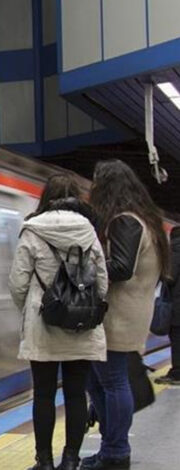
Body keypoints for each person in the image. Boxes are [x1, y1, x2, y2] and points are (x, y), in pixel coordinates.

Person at [9, 174, 108, 470]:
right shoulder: (89, 232)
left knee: (43, 395)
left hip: (43, 325)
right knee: (76, 394)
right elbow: (102, 282)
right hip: (81, 327)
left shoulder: (32, 231)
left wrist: (31, 310)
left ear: (46, 198)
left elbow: (17, 283)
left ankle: (45, 462)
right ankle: (71, 460)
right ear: (76, 198)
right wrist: (87, 308)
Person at [82, 160, 170, 470]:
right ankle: (111, 448)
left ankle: (116, 452)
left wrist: (83, 271)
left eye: (96, 184)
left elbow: (120, 267)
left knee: (112, 382)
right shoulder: (145, 220)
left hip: (118, 316)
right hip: (128, 313)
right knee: (98, 381)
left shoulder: (125, 221)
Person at [155, 226, 180, 385]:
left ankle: (177, 373)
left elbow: (170, 276)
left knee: (177, 338)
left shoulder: (175, 250)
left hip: (177, 304)